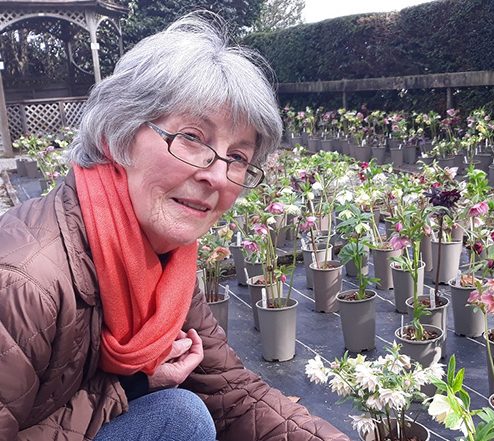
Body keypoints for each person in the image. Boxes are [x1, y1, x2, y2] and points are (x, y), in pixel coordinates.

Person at [0, 13, 349, 441]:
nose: (218, 176)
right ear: (117, 135)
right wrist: (134, 386)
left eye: (237, 157)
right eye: (192, 137)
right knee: (180, 415)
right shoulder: (21, 282)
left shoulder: (164, 261)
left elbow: (233, 392)